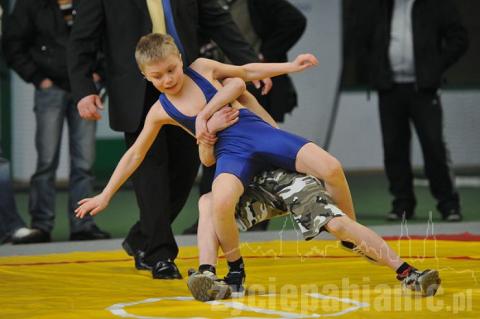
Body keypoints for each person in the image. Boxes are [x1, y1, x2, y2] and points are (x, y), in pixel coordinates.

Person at [75, 33, 441, 300]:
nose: (168, 80)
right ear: (145, 78)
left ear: (182, 60)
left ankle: (399, 266)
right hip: (235, 156)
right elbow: (135, 154)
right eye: (157, 77)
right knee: (213, 202)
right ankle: (225, 270)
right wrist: (106, 194)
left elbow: (244, 72)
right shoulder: (160, 111)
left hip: (264, 144)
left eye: (171, 70)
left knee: (330, 168)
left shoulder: (206, 70)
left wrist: (290, 67)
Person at [67, 0, 270, 278]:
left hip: (186, 88)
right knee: (151, 174)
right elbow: (82, 38)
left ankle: (142, 238)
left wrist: (250, 63)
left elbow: (218, 21)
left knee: (184, 174)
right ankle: (159, 255)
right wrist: (83, 88)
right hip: (137, 91)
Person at [183, 0, 307, 233]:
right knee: (217, 153)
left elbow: (295, 21)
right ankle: (212, 218)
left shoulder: (256, 4)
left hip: (250, 84)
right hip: (214, 86)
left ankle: (258, 218)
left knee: (261, 152)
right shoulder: (203, 5)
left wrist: (264, 57)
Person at [1, 0, 110, 243]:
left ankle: (83, 223)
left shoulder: (90, 2)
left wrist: (100, 71)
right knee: (46, 162)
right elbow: (13, 43)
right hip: (50, 88)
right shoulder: (30, 4)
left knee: (84, 162)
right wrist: (38, 79)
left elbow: (105, 37)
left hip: (85, 88)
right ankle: (41, 224)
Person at [362, 0, 469, 221]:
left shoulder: (435, 5)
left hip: (424, 89)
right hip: (389, 89)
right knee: (393, 149)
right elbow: (362, 38)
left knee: (434, 145)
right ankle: (402, 204)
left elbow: (460, 38)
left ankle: (449, 204)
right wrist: (375, 69)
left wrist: (435, 67)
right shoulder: (380, 6)